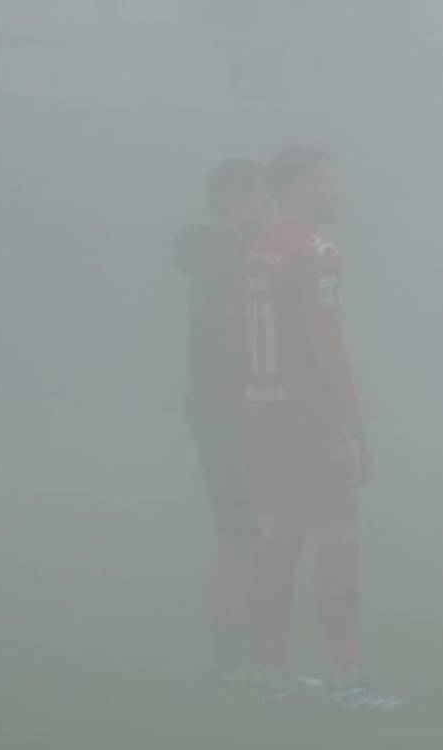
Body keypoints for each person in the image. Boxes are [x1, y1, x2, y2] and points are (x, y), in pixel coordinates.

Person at [240, 146, 406, 709]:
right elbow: (325, 344)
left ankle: (273, 674)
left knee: (277, 543)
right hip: (306, 416)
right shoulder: (317, 250)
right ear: (306, 186)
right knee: (338, 541)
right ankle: (347, 677)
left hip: (259, 410)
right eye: (329, 181)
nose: (336, 192)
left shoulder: (260, 246)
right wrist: (353, 427)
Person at [173, 159, 265, 684]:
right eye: (253, 198)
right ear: (227, 201)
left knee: (248, 531)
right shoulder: (221, 262)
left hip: (230, 410)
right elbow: (230, 341)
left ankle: (247, 648)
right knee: (239, 532)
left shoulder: (229, 258)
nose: (261, 209)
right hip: (225, 413)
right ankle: (235, 656)